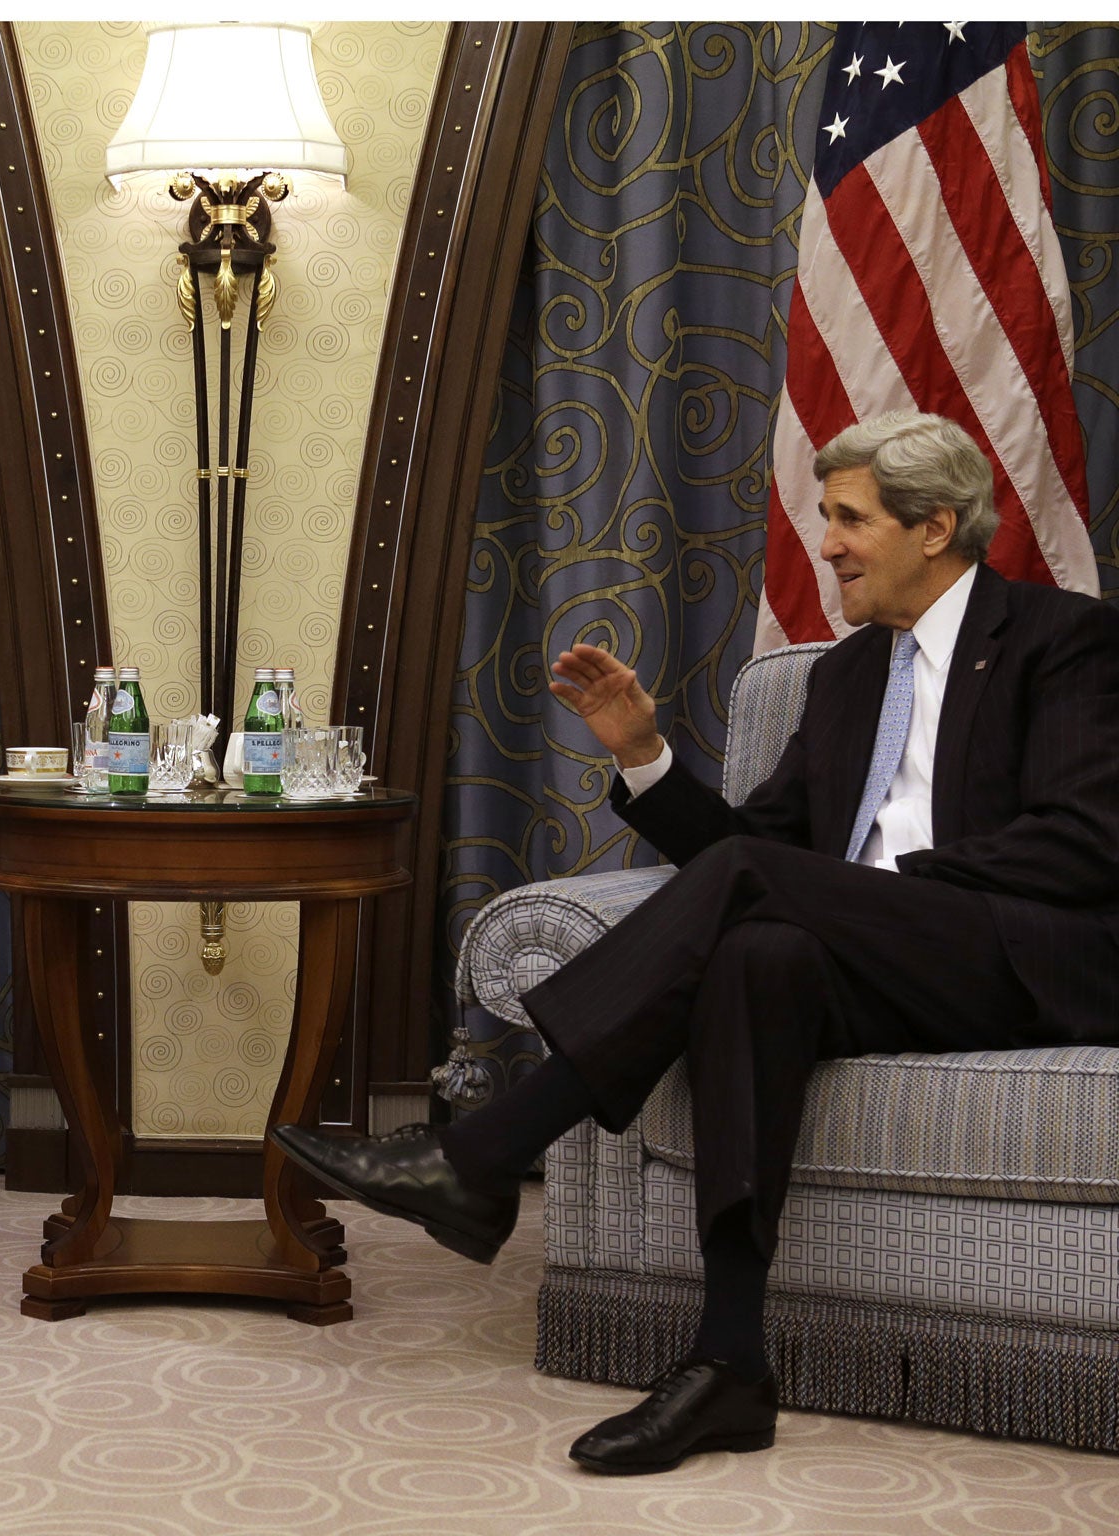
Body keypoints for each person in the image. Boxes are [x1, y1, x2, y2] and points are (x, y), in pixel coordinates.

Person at [275, 410, 1119, 1474]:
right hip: (877, 962)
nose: (826, 544)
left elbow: (1087, 843)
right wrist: (643, 758)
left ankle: (482, 1149)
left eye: (849, 520)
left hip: (1025, 956)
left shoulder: (1061, 639)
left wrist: (868, 894)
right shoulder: (850, 675)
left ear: (934, 526)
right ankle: (727, 1363)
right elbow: (741, 852)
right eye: (825, 519)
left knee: (767, 899)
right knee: (754, 957)